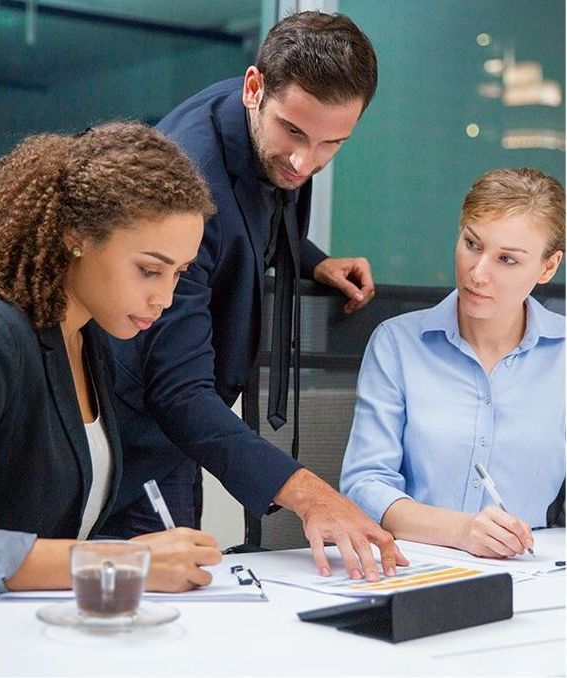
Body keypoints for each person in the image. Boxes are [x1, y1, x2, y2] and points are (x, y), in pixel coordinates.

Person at [103, 11, 408, 580]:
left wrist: (310, 258)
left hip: (181, 423)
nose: (304, 162)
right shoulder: (192, 191)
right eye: (293, 133)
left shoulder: (274, 120)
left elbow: (262, 206)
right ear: (253, 88)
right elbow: (176, 389)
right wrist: (312, 495)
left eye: (330, 144)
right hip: (131, 426)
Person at [0, 122, 223, 594]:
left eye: (178, 274)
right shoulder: (4, 338)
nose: (164, 297)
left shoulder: (90, 341)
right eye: (148, 270)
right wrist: (124, 561)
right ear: (76, 236)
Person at [341, 167, 565, 558]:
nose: (478, 273)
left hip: (531, 570)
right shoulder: (398, 343)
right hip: (414, 563)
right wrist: (463, 530)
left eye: (507, 260)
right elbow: (365, 484)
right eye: (472, 244)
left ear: (547, 267)